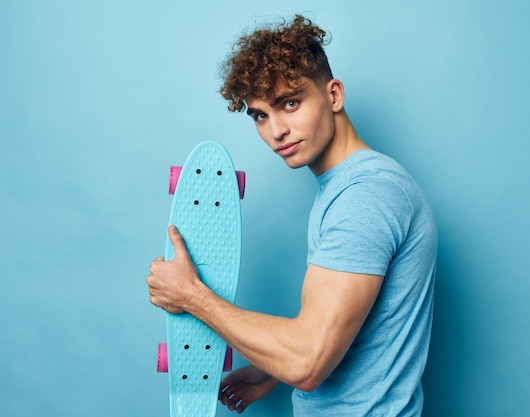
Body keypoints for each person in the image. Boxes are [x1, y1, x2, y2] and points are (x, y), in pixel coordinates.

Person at [147, 14, 437, 416]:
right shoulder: (349, 187)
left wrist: (191, 296)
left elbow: (307, 362)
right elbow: (353, 324)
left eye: (290, 103)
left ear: (333, 95)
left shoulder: (365, 196)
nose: (276, 130)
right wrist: (271, 371)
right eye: (261, 115)